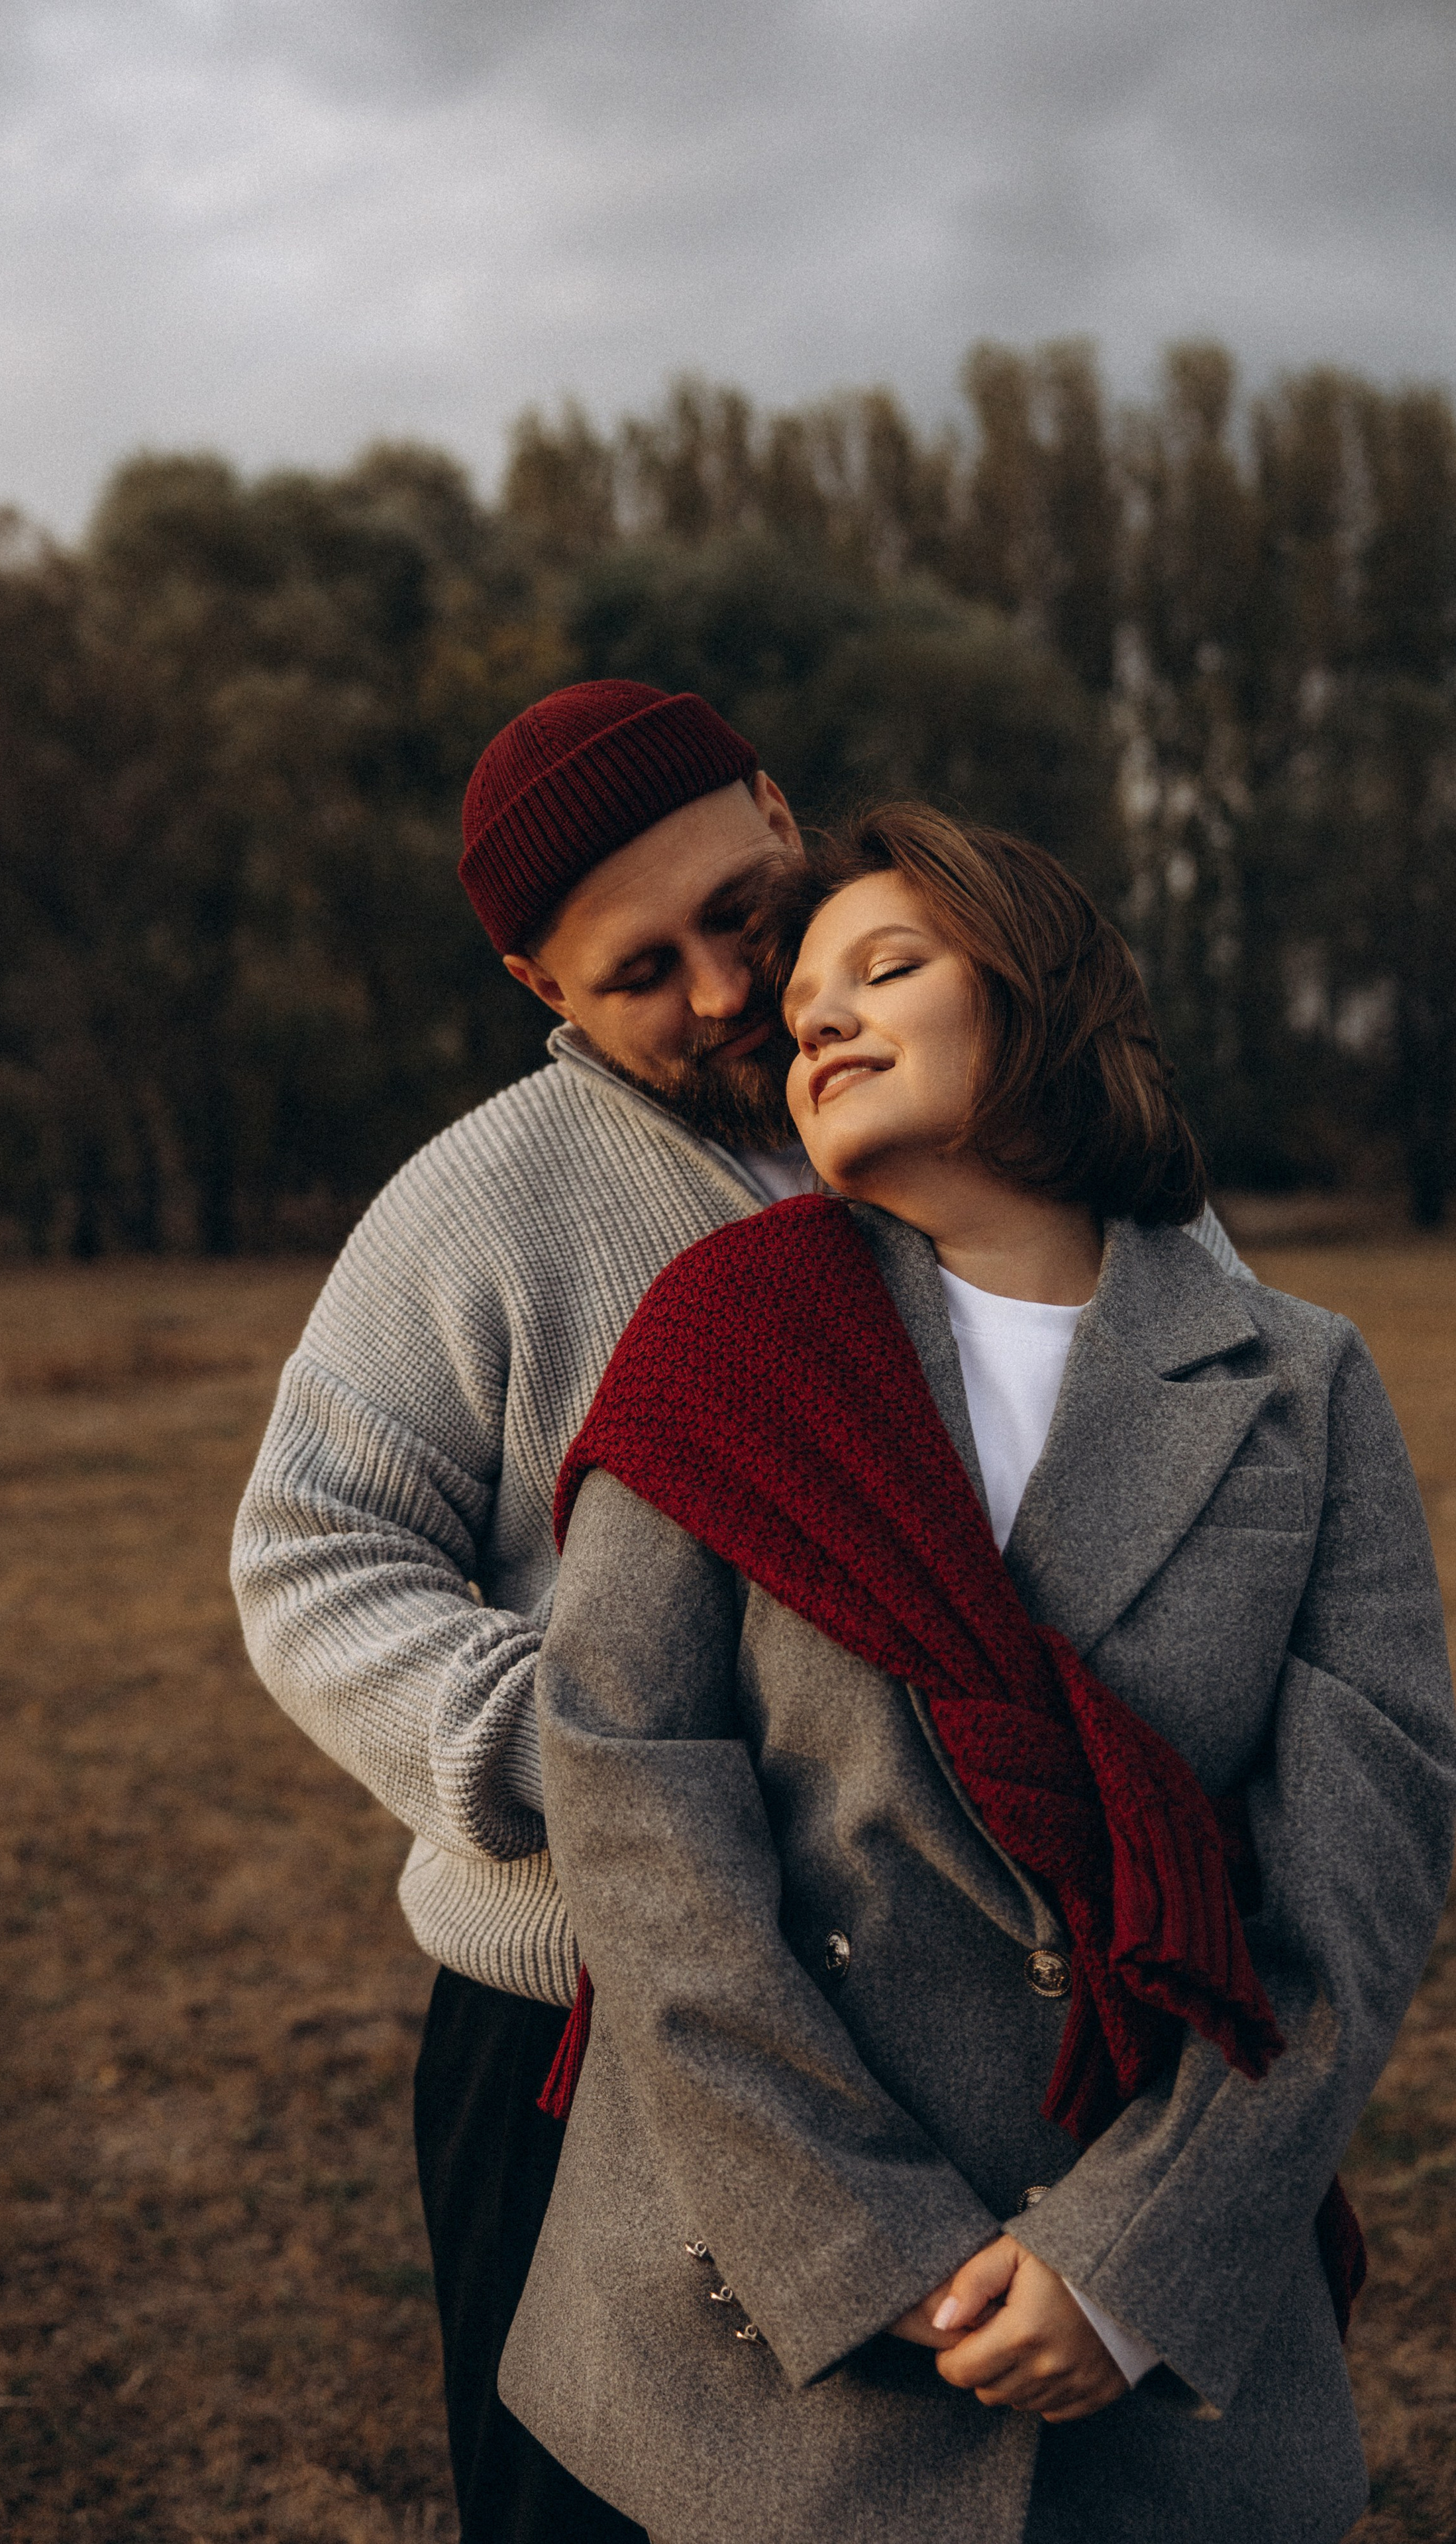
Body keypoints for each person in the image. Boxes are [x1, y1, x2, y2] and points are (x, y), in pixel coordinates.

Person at [231, 686, 1250, 2543]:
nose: (722, 991)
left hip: (1031, 2000)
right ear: (538, 985)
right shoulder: (478, 1208)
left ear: (784, 808)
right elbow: (312, 1552)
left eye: (744, 910)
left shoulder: (1024, 1114)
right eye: (639, 971)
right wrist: (603, 1757)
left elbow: (1218, 1447)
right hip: (594, 2039)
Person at [497, 804, 1456, 2543]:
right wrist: (863, 2245)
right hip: (772, 2340)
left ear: (1036, 997)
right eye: (801, 1015)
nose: (820, 1024)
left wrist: (1129, 2261)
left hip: (1150, 2341)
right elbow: (635, 1812)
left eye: (888, 967)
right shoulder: (723, 1341)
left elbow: (1359, 1875)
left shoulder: (1297, 1386)